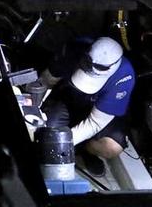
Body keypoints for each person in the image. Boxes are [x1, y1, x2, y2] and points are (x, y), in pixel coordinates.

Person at [37, 37, 135, 176]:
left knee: (111, 147)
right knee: (45, 130)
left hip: (102, 112)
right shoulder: (73, 49)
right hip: (70, 98)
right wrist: (33, 106)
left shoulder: (124, 76)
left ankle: (84, 151)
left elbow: (95, 122)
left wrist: (60, 143)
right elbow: (47, 80)